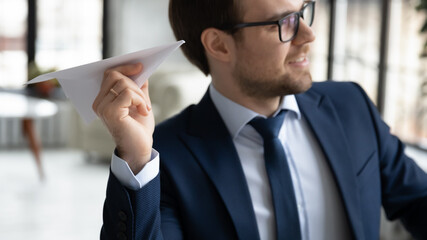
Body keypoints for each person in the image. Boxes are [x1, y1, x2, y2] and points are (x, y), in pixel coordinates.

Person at [93, 0, 427, 239]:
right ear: (219, 45)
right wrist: (136, 158)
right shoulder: (164, 158)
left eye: (303, 12)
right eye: (284, 23)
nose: (307, 35)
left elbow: (418, 200)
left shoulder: (350, 106)